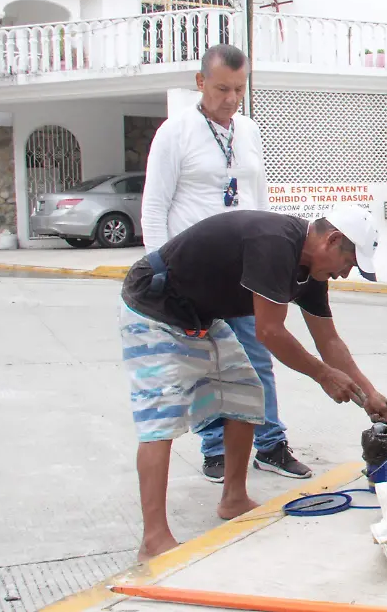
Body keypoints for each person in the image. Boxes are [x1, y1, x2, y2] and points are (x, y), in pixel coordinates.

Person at [119, 205, 387, 561]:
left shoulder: (311, 271)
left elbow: (329, 342)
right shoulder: (276, 243)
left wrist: (369, 393)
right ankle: (153, 539)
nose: (344, 274)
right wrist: (323, 375)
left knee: (247, 394)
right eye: (348, 263)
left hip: (199, 315)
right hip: (154, 304)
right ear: (333, 239)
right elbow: (269, 331)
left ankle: (233, 499)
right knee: (161, 415)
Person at [141, 43, 312, 483]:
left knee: (258, 356)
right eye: (222, 88)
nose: (231, 98)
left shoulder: (249, 131)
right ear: (200, 83)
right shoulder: (174, 132)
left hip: (247, 273)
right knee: (206, 364)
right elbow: (154, 206)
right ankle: (215, 448)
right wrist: (160, 272)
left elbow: (261, 199)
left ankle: (270, 443)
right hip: (193, 276)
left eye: (239, 88)